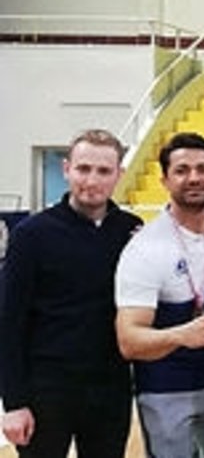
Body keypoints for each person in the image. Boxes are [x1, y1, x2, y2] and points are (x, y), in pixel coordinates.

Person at [1, 130, 142, 457]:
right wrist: (14, 403)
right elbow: (9, 322)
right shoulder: (31, 234)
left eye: (104, 171)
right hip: (45, 389)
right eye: (83, 169)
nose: (92, 180)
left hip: (109, 388)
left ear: (119, 174)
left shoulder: (131, 231)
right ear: (67, 169)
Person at [115, 133, 204, 458]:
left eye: (202, 169)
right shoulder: (143, 249)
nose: (194, 178)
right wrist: (181, 335)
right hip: (165, 390)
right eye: (182, 170)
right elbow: (129, 340)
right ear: (164, 180)